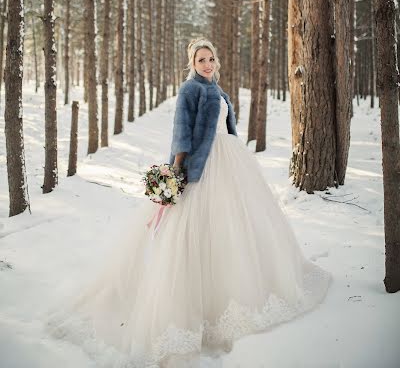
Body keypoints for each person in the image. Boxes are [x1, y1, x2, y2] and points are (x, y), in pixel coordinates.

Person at [48, 37, 330, 368]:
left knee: (234, 229)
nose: (207, 64)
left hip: (232, 166)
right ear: (192, 64)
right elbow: (182, 134)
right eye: (201, 61)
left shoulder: (219, 89)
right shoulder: (190, 90)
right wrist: (175, 173)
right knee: (194, 233)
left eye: (211, 59)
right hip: (201, 167)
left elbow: (226, 129)